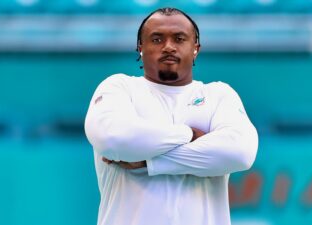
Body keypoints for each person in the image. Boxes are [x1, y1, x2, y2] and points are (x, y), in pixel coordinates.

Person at [84, 7, 258, 225]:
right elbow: (115, 139)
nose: (168, 47)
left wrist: (149, 162)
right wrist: (189, 134)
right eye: (156, 39)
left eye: (179, 38)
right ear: (140, 48)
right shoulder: (118, 87)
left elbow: (240, 152)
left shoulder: (218, 95)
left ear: (196, 48)